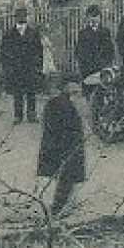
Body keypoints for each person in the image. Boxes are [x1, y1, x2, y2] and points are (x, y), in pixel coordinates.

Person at [36, 76, 87, 217]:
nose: (80, 96)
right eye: (76, 92)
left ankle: (54, 207)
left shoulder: (54, 104)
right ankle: (60, 208)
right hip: (66, 149)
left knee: (51, 178)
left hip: (54, 147)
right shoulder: (65, 106)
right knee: (66, 179)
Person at [0, 7, 45, 123]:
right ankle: (18, 115)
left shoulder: (33, 33)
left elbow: (39, 51)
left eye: (23, 16)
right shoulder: (9, 34)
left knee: (31, 92)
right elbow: (4, 53)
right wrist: (7, 68)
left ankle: (31, 114)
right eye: (18, 16)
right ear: (15, 18)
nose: (21, 19)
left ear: (26, 17)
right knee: (17, 92)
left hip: (30, 68)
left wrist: (38, 67)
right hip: (16, 69)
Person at [74, 5, 118, 80]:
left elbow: (110, 50)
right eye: (90, 16)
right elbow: (79, 52)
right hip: (88, 70)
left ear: (100, 18)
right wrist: (84, 66)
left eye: (96, 16)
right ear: (87, 18)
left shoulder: (105, 32)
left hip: (103, 68)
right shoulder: (83, 34)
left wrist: (106, 63)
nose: (93, 19)